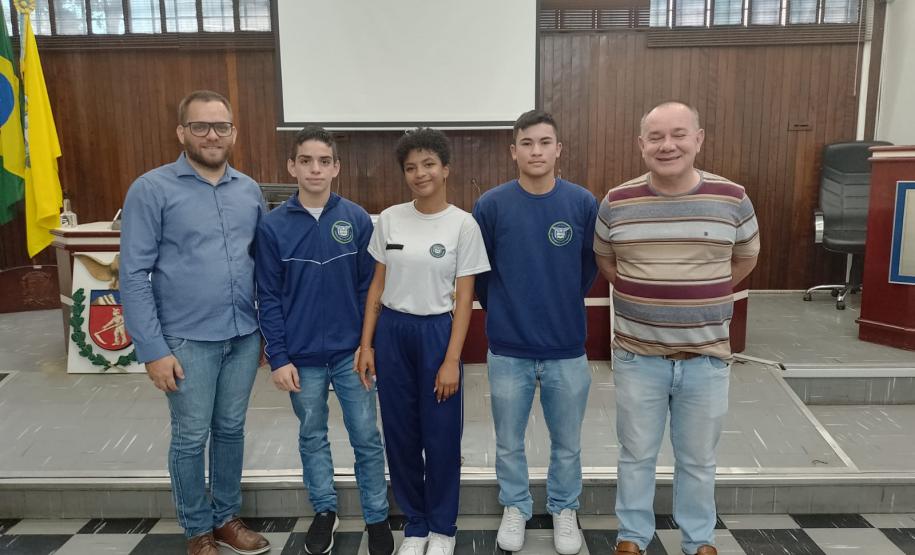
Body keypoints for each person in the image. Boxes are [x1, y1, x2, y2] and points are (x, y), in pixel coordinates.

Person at [593, 101, 760, 555]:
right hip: (638, 357)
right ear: (641, 145)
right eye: (656, 137)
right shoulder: (617, 202)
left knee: (698, 460)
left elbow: (745, 258)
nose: (667, 145)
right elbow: (607, 261)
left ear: (698, 139)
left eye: (679, 134)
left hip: (706, 358)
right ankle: (632, 537)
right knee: (636, 455)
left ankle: (698, 540)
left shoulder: (732, 199)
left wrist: (701, 292)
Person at [120, 90, 269, 555]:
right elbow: (133, 274)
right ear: (181, 132)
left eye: (221, 126)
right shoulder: (151, 189)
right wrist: (153, 349)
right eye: (200, 126)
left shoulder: (249, 190)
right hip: (185, 340)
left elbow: (263, 265)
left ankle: (226, 518)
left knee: (230, 430)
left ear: (233, 133)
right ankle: (197, 529)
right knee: (190, 438)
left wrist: (269, 333)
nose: (211, 135)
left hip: (243, 334)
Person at [255, 126, 394, 555]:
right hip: (301, 358)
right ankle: (324, 510)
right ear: (291, 167)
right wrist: (279, 357)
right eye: (306, 161)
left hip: (351, 355)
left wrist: (367, 346)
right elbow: (268, 296)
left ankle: (376, 515)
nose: (315, 169)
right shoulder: (272, 227)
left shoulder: (356, 219)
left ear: (336, 167)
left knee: (366, 435)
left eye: (324, 161)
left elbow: (369, 291)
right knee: (312, 434)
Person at [356, 128, 490, 555]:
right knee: (400, 434)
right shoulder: (390, 219)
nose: (420, 173)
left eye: (429, 164)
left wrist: (451, 360)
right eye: (411, 167)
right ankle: (415, 526)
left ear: (445, 169)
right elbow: (377, 287)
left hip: (437, 333)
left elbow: (465, 300)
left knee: (441, 436)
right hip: (392, 334)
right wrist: (367, 344)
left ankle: (443, 528)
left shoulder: (463, 225)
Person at [472, 110, 598, 555]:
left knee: (567, 441)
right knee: (509, 441)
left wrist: (558, 301)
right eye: (527, 143)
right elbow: (480, 274)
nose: (536, 151)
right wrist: (508, 312)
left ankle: (564, 507)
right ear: (514, 151)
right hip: (509, 348)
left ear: (558, 149)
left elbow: (588, 267)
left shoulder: (582, 203)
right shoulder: (491, 205)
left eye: (545, 142)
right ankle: (516, 505)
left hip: (566, 347)